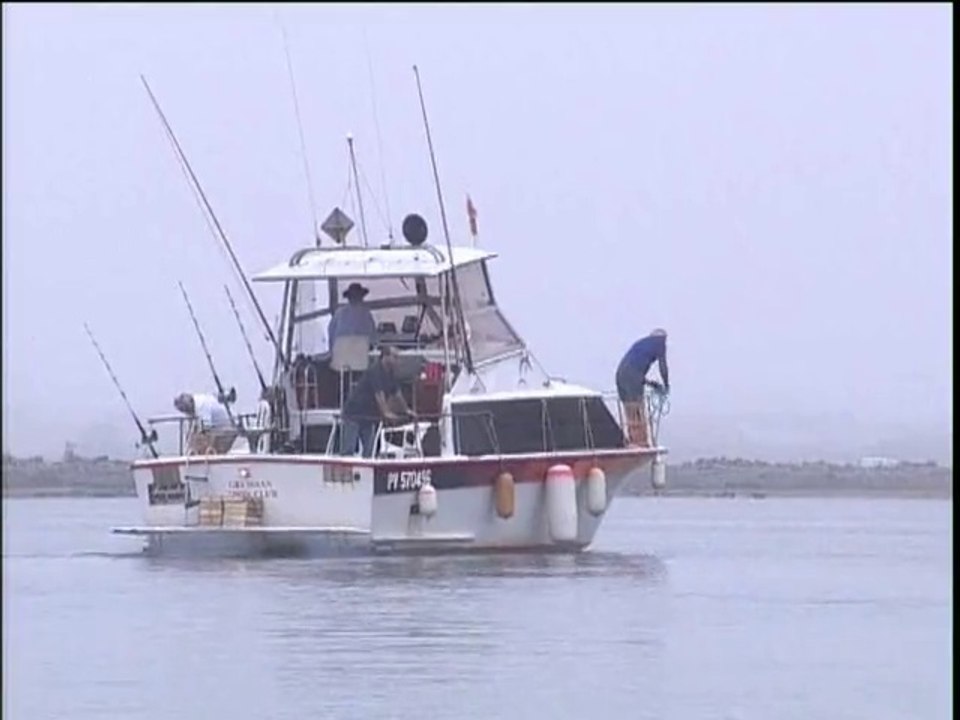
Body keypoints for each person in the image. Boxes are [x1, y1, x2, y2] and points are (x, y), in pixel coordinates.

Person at [339, 346, 414, 457]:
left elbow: (397, 394)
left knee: (370, 450)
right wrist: (387, 413)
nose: (397, 360)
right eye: (395, 357)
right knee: (348, 449)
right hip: (353, 414)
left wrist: (407, 410)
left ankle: (367, 467)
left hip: (369, 416)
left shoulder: (390, 374)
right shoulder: (375, 371)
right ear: (385, 357)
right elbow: (379, 395)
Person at [616, 329, 669, 447]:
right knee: (637, 409)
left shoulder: (642, 344)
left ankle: (634, 440)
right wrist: (666, 384)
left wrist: (650, 383)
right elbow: (663, 367)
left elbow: (633, 368)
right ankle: (641, 443)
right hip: (631, 378)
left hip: (621, 376)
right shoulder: (659, 343)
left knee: (630, 410)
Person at [328, 282, 377, 349]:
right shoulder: (366, 314)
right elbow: (373, 338)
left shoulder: (339, 313)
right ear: (361, 298)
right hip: (359, 351)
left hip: (341, 351)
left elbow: (331, 334)